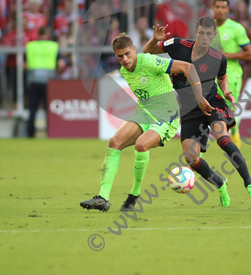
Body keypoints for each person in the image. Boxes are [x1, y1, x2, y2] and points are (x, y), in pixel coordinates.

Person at [80, 33, 214, 212]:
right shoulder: (123, 71)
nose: (125, 59)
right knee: (114, 143)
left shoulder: (149, 62)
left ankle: (133, 196)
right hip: (144, 112)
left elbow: (188, 67)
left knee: (141, 145)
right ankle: (103, 198)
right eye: (120, 56)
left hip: (166, 115)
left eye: (128, 54)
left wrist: (199, 97)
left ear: (134, 50)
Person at [143, 17, 251, 203]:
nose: (205, 37)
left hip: (212, 102)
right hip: (190, 109)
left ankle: (249, 183)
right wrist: (154, 39)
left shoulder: (218, 58)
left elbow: (222, 78)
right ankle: (221, 184)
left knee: (222, 138)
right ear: (196, 32)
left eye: (209, 34)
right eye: (202, 33)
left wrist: (226, 91)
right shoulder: (177, 44)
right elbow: (147, 51)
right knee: (190, 157)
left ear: (214, 35)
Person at [212, 0, 251, 147]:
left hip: (232, 75)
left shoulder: (236, 28)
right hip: (212, 75)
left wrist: (226, 55)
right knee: (214, 109)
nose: (220, 10)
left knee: (229, 109)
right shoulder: (208, 29)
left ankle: (234, 133)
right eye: (217, 7)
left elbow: (249, 54)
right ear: (213, 9)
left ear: (228, 10)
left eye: (223, 7)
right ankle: (230, 134)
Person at [25, 26, 66, 137]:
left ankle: (30, 133)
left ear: (38, 34)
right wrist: (56, 73)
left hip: (33, 80)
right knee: (49, 108)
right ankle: (50, 132)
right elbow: (61, 64)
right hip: (49, 81)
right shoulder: (53, 46)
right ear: (48, 35)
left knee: (32, 108)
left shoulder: (30, 46)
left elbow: (24, 64)